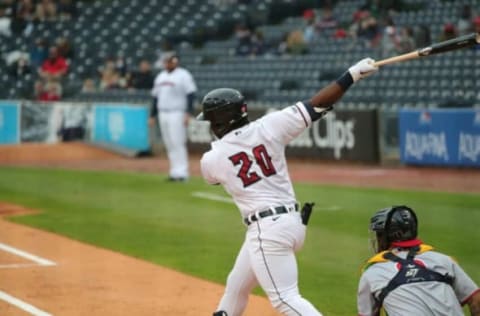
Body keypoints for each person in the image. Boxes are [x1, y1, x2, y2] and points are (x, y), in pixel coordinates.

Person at [197, 57, 378, 316]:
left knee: (285, 299)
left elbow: (215, 178)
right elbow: (318, 104)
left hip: (267, 230)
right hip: (290, 224)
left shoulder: (211, 159)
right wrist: (351, 75)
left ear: (218, 122)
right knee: (237, 286)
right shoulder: (270, 126)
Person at [357, 205, 480, 316]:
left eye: (379, 234)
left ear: (386, 236)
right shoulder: (444, 261)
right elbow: (476, 300)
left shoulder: (373, 272)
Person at [150, 52, 197, 182]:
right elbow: (155, 97)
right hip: (163, 112)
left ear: (175, 61)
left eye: (170, 61)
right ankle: (174, 172)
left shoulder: (183, 75)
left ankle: (182, 173)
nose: (168, 63)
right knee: (169, 143)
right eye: (166, 61)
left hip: (177, 112)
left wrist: (188, 113)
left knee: (178, 142)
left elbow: (190, 95)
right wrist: (152, 115)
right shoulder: (160, 76)